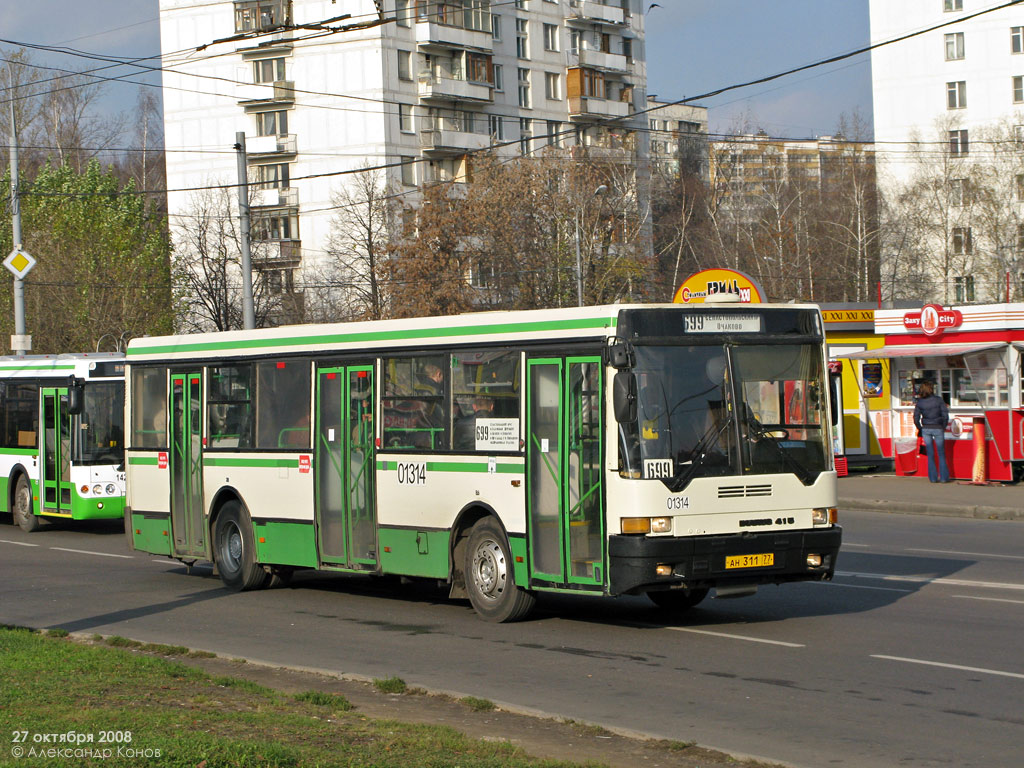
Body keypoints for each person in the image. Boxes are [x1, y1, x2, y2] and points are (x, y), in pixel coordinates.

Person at [914, 380, 951, 483]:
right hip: (938, 427)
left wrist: (920, 428)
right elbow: (945, 415)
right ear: (931, 389)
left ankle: (933, 478)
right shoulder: (938, 400)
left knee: (930, 454)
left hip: (926, 428)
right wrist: (943, 426)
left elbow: (916, 418)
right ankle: (943, 478)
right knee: (941, 453)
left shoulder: (920, 402)